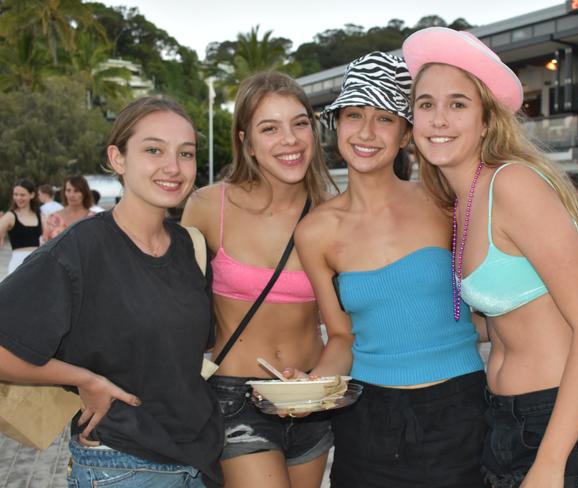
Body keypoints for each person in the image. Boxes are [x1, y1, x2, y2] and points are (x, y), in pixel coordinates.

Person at [403, 27, 578, 487]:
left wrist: (550, 463)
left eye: (457, 104)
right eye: (425, 105)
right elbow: (511, 318)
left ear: (486, 120)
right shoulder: (462, 200)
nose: (438, 119)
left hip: (565, 425)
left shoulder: (512, 185)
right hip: (506, 422)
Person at [0, 97, 224, 487]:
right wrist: (85, 380)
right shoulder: (79, 250)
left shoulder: (192, 247)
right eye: (153, 150)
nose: (173, 167)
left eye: (185, 154)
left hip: (198, 461)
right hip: (121, 465)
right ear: (117, 159)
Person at [294, 51, 487, 487]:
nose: (366, 132)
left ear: (405, 134)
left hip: (459, 410)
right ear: (336, 125)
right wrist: (307, 389)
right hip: (367, 420)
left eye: (384, 118)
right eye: (354, 115)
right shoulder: (315, 232)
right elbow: (342, 337)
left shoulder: (444, 201)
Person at [181, 71, 335, 488]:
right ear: (246, 140)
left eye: (299, 123)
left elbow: (352, 319)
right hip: (237, 400)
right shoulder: (209, 205)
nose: (290, 139)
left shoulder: (333, 212)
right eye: (270, 128)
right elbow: (170, 303)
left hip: (311, 396)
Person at [0, 179, 41, 274]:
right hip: (18, 263)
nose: (18, 198)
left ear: (32, 195)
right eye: (16, 194)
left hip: (38, 262)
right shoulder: (10, 216)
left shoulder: (40, 215)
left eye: (22, 195)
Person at [42, 175, 94, 242]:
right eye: (68, 190)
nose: (72, 195)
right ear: (64, 192)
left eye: (76, 191)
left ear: (84, 193)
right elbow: (45, 246)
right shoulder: (53, 218)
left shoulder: (93, 218)